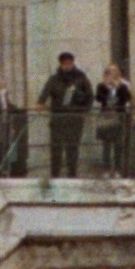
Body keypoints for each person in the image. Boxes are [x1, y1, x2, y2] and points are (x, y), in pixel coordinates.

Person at [40, 49, 94, 179]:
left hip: (74, 118)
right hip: (58, 119)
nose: (67, 65)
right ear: (61, 64)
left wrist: (84, 110)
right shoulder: (54, 79)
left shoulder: (81, 78)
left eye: (69, 63)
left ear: (73, 63)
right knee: (56, 148)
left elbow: (90, 96)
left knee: (72, 148)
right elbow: (45, 93)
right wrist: (40, 103)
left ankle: (72, 174)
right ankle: (55, 175)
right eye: (65, 63)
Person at [94, 63, 134, 176]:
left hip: (119, 117)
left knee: (118, 145)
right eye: (110, 71)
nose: (113, 73)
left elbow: (127, 98)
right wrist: (107, 88)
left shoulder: (123, 86)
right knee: (106, 145)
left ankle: (117, 169)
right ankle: (106, 169)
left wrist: (118, 87)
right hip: (106, 117)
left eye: (115, 71)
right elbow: (98, 98)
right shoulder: (101, 86)